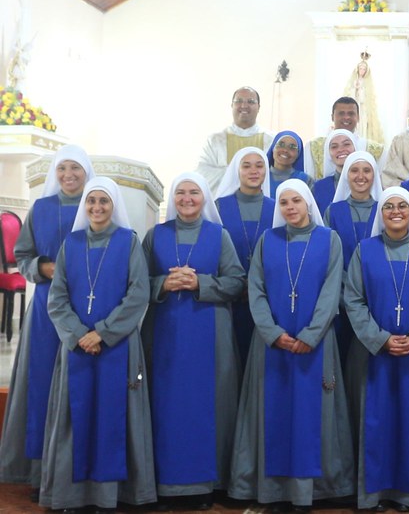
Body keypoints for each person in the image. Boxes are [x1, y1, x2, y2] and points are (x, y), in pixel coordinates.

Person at [228, 180, 354, 509]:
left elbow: (331, 291)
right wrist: (271, 331)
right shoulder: (267, 240)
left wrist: (311, 334)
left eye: (296, 200)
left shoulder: (329, 240)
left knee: (311, 416)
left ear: (309, 203)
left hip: (316, 343)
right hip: (271, 344)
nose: (290, 207)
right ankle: (272, 491)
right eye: (284, 202)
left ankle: (308, 492)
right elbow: (255, 289)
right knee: (273, 414)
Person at [39, 177, 156, 511]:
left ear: (114, 205)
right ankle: (70, 496)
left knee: (116, 417)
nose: (97, 208)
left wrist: (102, 333)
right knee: (74, 419)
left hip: (117, 346)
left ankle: (112, 496)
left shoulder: (128, 242)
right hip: (77, 348)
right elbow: (57, 298)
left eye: (104, 201)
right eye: (91, 202)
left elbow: (138, 293)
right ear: (84, 206)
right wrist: (79, 335)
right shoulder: (71, 244)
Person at [142, 173, 245, 510]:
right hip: (166, 334)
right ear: (172, 198)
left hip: (210, 332)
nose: (187, 199)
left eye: (194, 193)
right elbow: (136, 282)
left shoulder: (220, 235)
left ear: (205, 198)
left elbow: (236, 281)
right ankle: (164, 482)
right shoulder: (155, 235)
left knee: (208, 404)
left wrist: (200, 282)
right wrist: (163, 285)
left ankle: (205, 483)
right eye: (181, 193)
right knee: (167, 404)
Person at [343, 187, 409, 510]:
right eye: (388, 206)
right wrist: (380, 339)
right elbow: (353, 299)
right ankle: (373, 494)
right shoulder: (365, 250)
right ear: (381, 213)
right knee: (376, 425)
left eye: (402, 206)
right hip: (374, 354)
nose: (396, 211)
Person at [0, 145, 94, 494]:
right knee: (40, 379)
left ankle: (77, 466)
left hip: (86, 305)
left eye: (76, 169)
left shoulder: (97, 202)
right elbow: (22, 255)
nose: (69, 175)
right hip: (45, 307)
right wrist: (42, 267)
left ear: (87, 173)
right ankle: (38, 468)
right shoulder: (40, 208)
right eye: (62, 169)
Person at [215, 146, 275, 366]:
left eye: (259, 166)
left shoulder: (278, 208)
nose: (253, 171)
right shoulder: (219, 207)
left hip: (267, 301)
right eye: (246, 166)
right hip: (228, 301)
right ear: (236, 171)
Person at [197, 86, 274, 190]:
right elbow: (202, 174)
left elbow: (275, 174)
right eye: (239, 101)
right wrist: (241, 172)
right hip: (222, 203)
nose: (244, 105)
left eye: (251, 101)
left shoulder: (271, 140)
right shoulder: (215, 140)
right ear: (232, 105)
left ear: (259, 107)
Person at [323, 151, 384, 271]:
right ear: (346, 174)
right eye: (354, 170)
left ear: (374, 175)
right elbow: (326, 253)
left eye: (366, 171)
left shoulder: (384, 210)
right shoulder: (333, 212)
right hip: (340, 284)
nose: (360, 176)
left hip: (377, 282)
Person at [309, 97, 384, 180]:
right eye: (341, 113)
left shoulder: (375, 150)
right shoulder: (314, 147)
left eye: (351, 114)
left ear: (358, 117)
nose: (346, 117)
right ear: (332, 117)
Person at [311, 128, 364, 213]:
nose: (340, 149)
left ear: (355, 148)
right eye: (334, 147)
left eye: (346, 144)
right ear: (328, 153)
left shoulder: (366, 183)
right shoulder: (319, 188)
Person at [344, 54, 385, 152]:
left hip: (362, 109)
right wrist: (355, 89)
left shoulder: (367, 83)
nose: (361, 71)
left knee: (362, 126)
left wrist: (361, 90)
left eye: (364, 69)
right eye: (360, 68)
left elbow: (366, 98)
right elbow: (349, 96)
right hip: (353, 107)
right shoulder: (353, 81)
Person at [267, 130, 313, 198]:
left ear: (298, 154)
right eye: (281, 145)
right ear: (273, 148)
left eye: (292, 147)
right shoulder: (261, 176)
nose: (285, 150)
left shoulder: (305, 180)